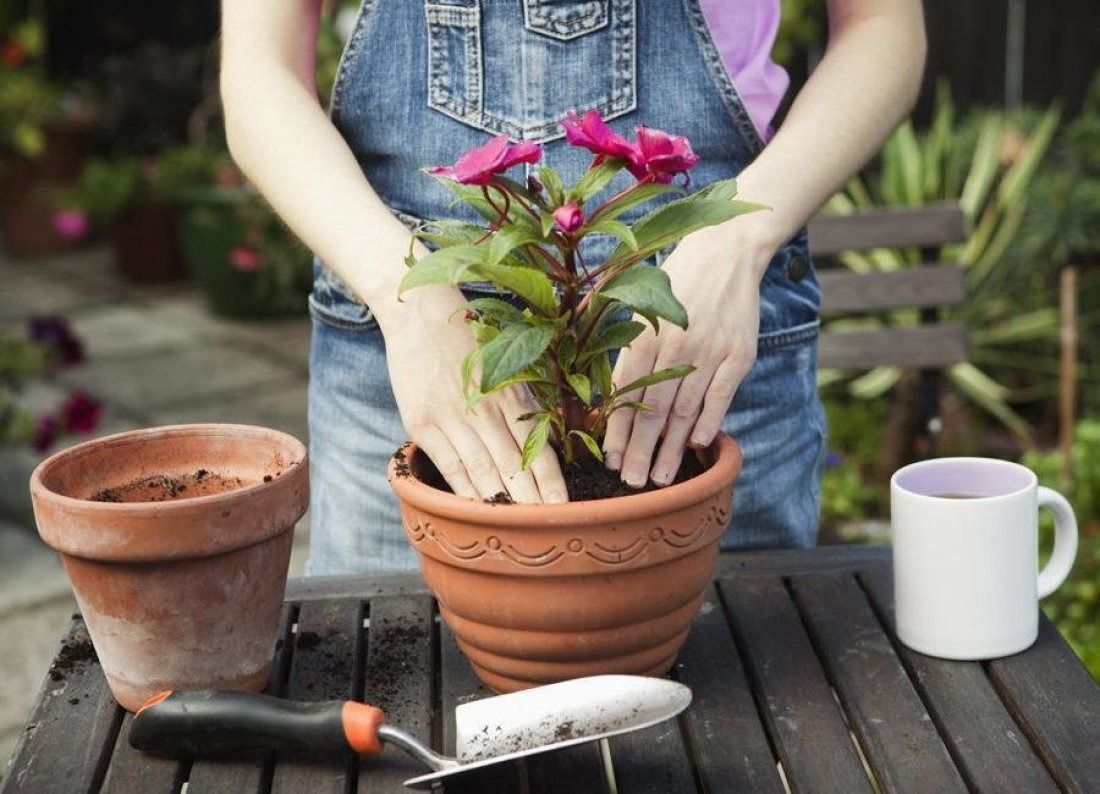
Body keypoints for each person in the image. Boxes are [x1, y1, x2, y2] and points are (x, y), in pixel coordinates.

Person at [221, 0, 926, 575]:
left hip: (698, 342)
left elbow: (882, 25)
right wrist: (405, 291)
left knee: (731, 704)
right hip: (415, 356)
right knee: (409, 690)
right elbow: (260, 68)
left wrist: (738, 236)